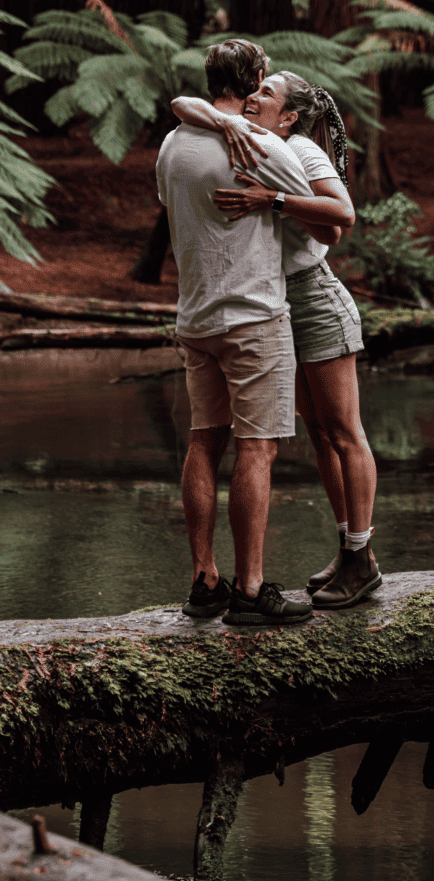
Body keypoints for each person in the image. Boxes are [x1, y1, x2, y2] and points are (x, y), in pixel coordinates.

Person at [171, 70, 380, 610]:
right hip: (273, 302)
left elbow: (340, 221)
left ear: (288, 116)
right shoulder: (246, 140)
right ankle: (348, 548)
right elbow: (183, 103)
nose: (252, 99)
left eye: (265, 94)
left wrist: (275, 200)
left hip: (313, 299)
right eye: (251, 91)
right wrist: (218, 115)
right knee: (317, 432)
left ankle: (362, 556)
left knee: (343, 430)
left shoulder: (300, 151)